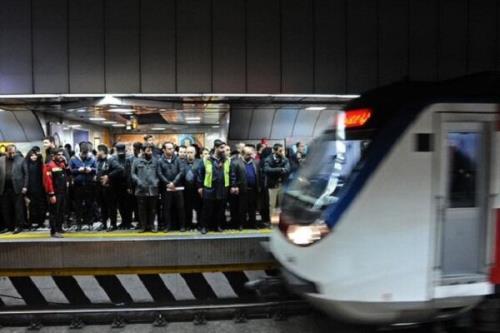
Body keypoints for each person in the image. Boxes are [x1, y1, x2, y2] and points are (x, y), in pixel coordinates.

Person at [197, 140, 230, 234]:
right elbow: (200, 174)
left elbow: (230, 173)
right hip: (209, 189)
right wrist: (199, 187)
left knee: (220, 209)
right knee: (207, 209)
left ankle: (218, 226)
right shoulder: (206, 159)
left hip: (222, 188)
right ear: (216, 148)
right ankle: (205, 227)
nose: (224, 150)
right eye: (221, 148)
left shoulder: (227, 160)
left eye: (224, 148)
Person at [157, 142, 185, 232]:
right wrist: (168, 183)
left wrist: (174, 183)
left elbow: (181, 172)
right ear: (164, 150)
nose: (171, 150)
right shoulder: (160, 161)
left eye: (172, 148)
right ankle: (167, 226)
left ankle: (181, 226)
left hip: (177, 188)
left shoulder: (178, 159)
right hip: (166, 188)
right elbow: (159, 173)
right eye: (169, 149)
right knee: (166, 208)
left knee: (180, 207)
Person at [131, 143, 159, 232]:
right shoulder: (136, 161)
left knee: (153, 209)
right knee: (142, 209)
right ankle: (143, 226)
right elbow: (132, 174)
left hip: (153, 189)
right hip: (141, 189)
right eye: (148, 150)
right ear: (143, 151)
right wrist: (138, 181)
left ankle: (151, 225)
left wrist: (156, 182)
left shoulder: (156, 161)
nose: (150, 152)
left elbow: (159, 174)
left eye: (151, 150)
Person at [231, 146, 260, 230]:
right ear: (242, 154)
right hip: (242, 190)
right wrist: (234, 186)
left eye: (251, 154)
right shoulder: (236, 163)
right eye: (248, 154)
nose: (250, 156)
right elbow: (233, 176)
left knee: (252, 209)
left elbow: (259, 175)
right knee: (241, 209)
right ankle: (241, 224)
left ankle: (253, 224)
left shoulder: (256, 162)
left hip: (253, 190)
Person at [0, 145, 27, 233]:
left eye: (13, 152)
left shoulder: (21, 160)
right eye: (10, 152)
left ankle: (19, 226)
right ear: (6, 152)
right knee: (6, 208)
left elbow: (26, 174)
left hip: (17, 188)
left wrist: (25, 186)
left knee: (18, 209)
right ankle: (9, 226)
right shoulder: (1, 160)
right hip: (4, 188)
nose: (12, 154)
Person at [69, 143, 97, 230]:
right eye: (83, 153)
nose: (85, 155)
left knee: (90, 204)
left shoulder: (92, 158)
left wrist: (91, 169)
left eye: (86, 153)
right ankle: (78, 223)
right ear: (80, 152)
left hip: (89, 185)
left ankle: (89, 223)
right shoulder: (73, 159)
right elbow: (70, 171)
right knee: (78, 205)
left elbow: (96, 169)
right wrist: (78, 170)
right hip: (78, 185)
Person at [43, 149, 68, 238]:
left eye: (62, 154)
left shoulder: (62, 164)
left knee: (61, 211)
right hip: (55, 193)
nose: (61, 156)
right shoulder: (49, 166)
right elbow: (48, 181)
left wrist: (66, 163)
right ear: (53, 156)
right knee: (54, 212)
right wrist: (51, 194)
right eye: (59, 155)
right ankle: (54, 231)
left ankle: (59, 228)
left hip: (62, 192)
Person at [108, 143, 132, 229]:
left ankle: (126, 222)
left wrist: (129, 186)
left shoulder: (128, 158)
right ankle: (118, 223)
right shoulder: (112, 159)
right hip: (115, 184)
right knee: (116, 205)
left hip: (124, 184)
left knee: (125, 205)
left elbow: (129, 173)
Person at [264, 143, 290, 218]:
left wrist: (276, 170)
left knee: (281, 205)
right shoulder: (268, 159)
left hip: (282, 184)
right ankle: (272, 221)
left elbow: (287, 169)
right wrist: (280, 169)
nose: (282, 152)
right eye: (280, 151)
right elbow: (267, 170)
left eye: (283, 150)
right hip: (272, 185)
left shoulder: (285, 159)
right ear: (274, 151)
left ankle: (280, 221)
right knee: (272, 204)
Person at [24, 149, 47, 229]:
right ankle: (33, 222)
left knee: (41, 206)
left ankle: (41, 222)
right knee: (32, 207)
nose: (34, 157)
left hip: (40, 188)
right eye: (32, 155)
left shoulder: (39, 163)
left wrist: (39, 154)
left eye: (35, 155)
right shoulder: (26, 164)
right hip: (30, 189)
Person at [183, 146, 202, 230]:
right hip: (186, 189)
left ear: (195, 153)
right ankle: (188, 224)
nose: (189, 154)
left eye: (191, 152)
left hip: (197, 189)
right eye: (187, 152)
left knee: (199, 208)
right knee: (187, 208)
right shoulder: (182, 162)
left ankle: (199, 224)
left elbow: (202, 175)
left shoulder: (200, 162)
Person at [127, 142, 143, 229]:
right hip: (134, 185)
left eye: (135, 149)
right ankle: (138, 221)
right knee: (135, 204)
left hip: (142, 185)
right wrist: (129, 186)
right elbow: (129, 174)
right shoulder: (130, 159)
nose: (133, 150)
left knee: (141, 204)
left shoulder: (143, 159)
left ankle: (142, 222)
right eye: (133, 148)